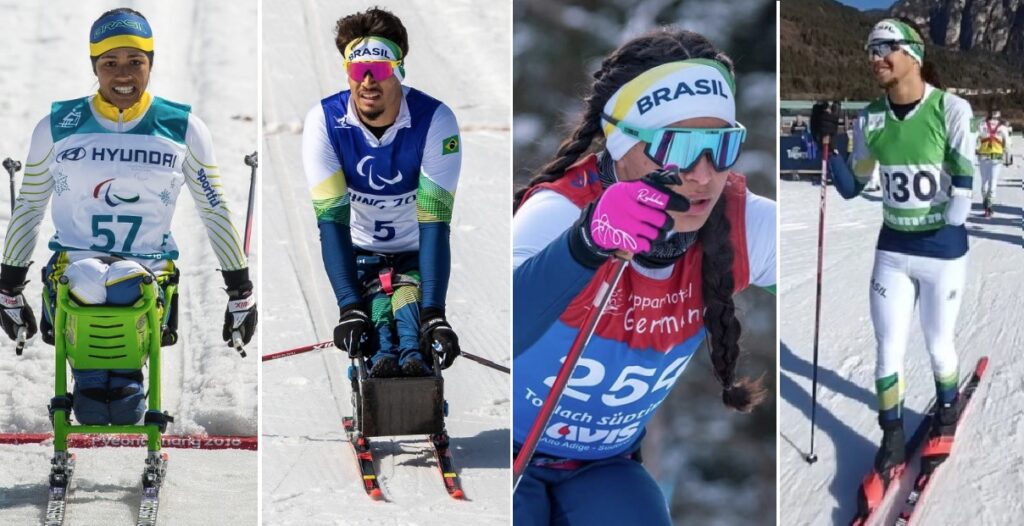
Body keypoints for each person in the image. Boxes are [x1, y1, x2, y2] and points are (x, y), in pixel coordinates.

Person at [512, 29, 775, 525]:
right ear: (621, 145)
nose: (703, 175)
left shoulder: (741, 222)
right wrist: (583, 246)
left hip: (605, 468)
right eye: (678, 147)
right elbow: (497, 328)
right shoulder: (557, 214)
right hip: (507, 452)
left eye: (722, 146)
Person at [0, 8, 257, 425]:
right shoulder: (57, 125)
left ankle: (118, 384)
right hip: (74, 268)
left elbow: (214, 209)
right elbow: (29, 205)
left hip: (148, 272)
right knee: (87, 293)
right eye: (110, 63)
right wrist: (8, 286)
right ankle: (96, 382)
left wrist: (239, 289)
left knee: (124, 296)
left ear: (151, 64)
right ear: (94, 67)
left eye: (135, 62)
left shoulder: (183, 127)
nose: (123, 75)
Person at [827, 18, 974, 505]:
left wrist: (947, 204)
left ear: (912, 52)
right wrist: (828, 147)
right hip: (893, 251)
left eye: (885, 47)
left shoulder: (950, 108)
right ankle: (891, 434)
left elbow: (961, 196)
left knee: (937, 345)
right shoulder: (870, 118)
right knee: (887, 347)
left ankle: (945, 414)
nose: (875, 57)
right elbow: (853, 188)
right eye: (870, 48)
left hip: (941, 253)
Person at [302, 7, 461, 378]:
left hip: (415, 249)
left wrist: (435, 314)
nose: (367, 82)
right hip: (358, 249)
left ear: (399, 69)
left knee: (414, 319)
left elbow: (435, 221)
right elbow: (332, 220)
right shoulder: (324, 122)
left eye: (380, 68)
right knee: (373, 330)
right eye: (358, 70)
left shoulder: (436, 120)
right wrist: (348, 308)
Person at [976, 109, 1010, 216]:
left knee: (984, 181)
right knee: (993, 182)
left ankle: (985, 202)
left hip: (983, 157)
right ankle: (990, 205)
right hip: (996, 157)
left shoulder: (981, 126)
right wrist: (1007, 158)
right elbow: (1007, 144)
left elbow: (975, 140)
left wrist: (976, 150)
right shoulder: (1003, 128)